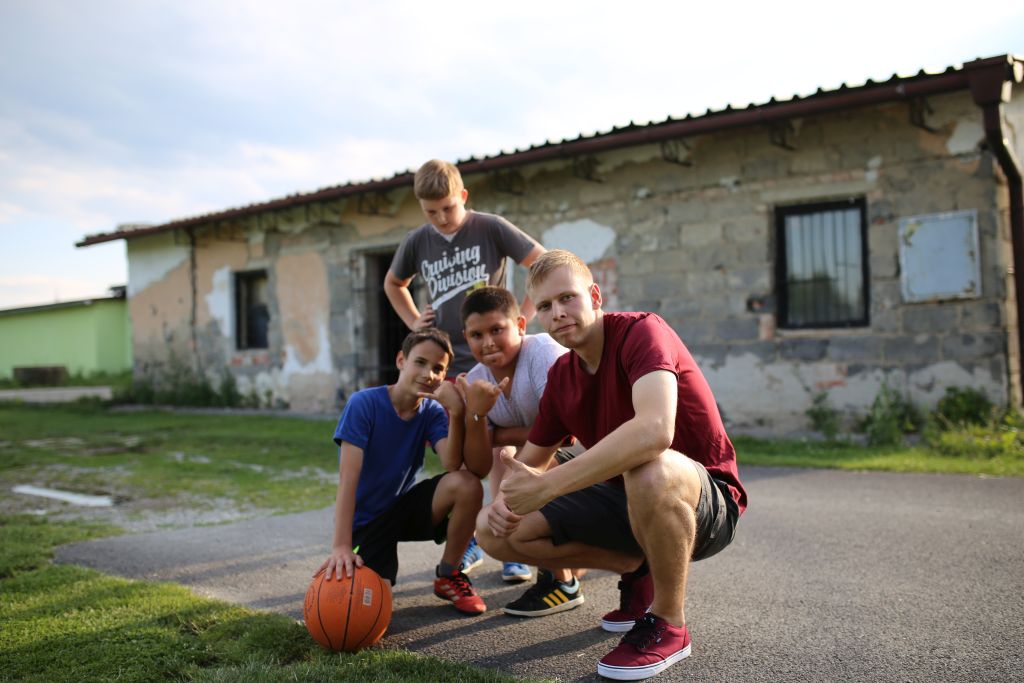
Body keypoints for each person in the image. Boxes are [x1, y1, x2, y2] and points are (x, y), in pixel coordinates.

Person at [476, 249, 747, 680]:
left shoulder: (642, 332)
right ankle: (636, 568)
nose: (557, 313)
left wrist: (547, 486)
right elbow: (528, 468)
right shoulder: (562, 376)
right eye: (545, 306)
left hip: (704, 501)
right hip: (627, 498)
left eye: (567, 298)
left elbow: (655, 430)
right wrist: (505, 500)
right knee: (492, 529)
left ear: (595, 296)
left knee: (649, 466)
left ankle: (669, 624)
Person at [315, 328, 490, 615]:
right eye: (420, 362)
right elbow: (348, 479)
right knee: (370, 612)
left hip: (400, 510)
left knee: (468, 484)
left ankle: (449, 574)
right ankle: (361, 560)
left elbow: (451, 464)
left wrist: (457, 412)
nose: (428, 374)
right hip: (366, 521)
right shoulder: (364, 404)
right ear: (401, 361)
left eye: (438, 368)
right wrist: (341, 546)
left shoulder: (432, 411)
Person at [459, 286, 584, 610]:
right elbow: (477, 463)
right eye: (477, 335)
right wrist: (475, 415)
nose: (488, 342)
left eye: (496, 330)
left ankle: (561, 580)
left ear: (520, 325)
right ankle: (543, 556)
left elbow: (565, 432)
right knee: (504, 465)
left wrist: (500, 433)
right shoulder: (476, 380)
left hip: (586, 455)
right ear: (465, 337)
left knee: (520, 467)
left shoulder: (542, 352)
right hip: (535, 464)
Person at [384, 158, 545, 376]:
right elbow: (393, 284)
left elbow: (543, 264)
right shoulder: (416, 240)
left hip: (494, 355)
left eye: (448, 208)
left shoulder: (491, 227)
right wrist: (414, 321)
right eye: (431, 212)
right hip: (445, 360)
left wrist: (522, 316)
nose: (441, 218)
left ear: (463, 196)